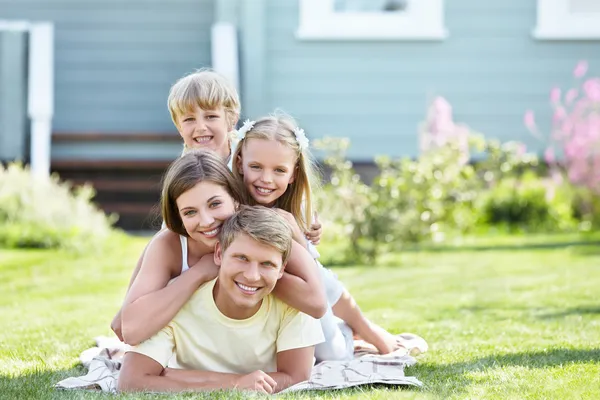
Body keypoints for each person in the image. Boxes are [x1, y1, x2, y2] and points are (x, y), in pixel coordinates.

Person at [110, 71, 324, 343]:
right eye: (189, 119)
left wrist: (304, 226)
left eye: (210, 117)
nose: (200, 128)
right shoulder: (186, 175)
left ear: (231, 119)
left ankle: (361, 329)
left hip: (257, 252)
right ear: (178, 127)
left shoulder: (245, 160)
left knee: (324, 303)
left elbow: (280, 181)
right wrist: (128, 304)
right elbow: (162, 243)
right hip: (211, 266)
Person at [233, 114, 428, 360]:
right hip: (254, 291)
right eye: (256, 167)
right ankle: (361, 330)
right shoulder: (228, 204)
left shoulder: (292, 210)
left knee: (334, 356)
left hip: (299, 292)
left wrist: (296, 231)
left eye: (279, 170)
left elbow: (315, 276)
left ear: (293, 174)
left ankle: (361, 330)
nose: (266, 179)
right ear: (240, 163)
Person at [115, 150, 326, 346]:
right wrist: (199, 272)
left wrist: (240, 270)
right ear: (178, 215)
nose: (206, 221)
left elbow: (317, 304)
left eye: (215, 204)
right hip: (197, 347)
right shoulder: (170, 245)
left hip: (255, 345)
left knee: (330, 349)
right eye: (190, 212)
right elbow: (128, 330)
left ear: (234, 198)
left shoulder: (259, 226)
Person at [118, 205, 324, 395]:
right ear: (219, 253)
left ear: (282, 269)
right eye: (241, 258)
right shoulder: (176, 299)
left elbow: (296, 377)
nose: (252, 276)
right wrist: (237, 383)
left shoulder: (295, 306)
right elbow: (131, 382)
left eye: (267, 264)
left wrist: (177, 376)